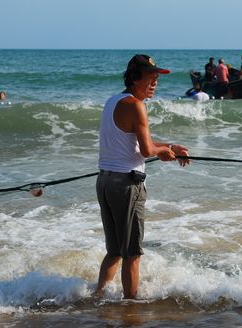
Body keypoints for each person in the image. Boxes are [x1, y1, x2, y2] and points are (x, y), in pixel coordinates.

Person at [95, 54, 190, 299]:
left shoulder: (112, 101)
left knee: (114, 251)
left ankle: (98, 298)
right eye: (150, 77)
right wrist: (163, 153)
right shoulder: (137, 105)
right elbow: (147, 151)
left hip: (105, 181)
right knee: (132, 253)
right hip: (127, 185)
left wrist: (170, 146)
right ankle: (130, 309)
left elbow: (136, 144)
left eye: (156, 78)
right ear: (135, 77)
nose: (155, 83)